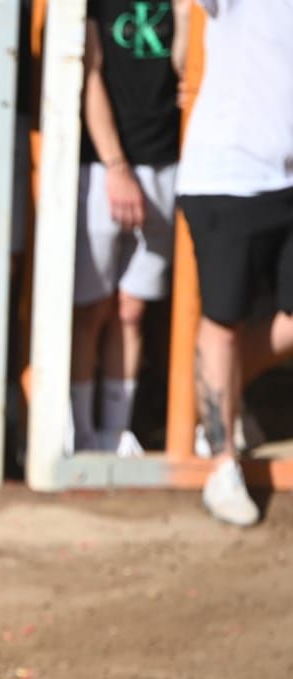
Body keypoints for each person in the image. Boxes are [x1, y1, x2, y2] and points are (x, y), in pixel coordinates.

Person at [176, 0, 293, 526]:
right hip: (225, 176)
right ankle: (221, 463)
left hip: (285, 180)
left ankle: (222, 399)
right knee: (222, 319)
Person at [65, 0, 180, 458]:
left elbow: (186, 66)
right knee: (91, 308)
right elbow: (87, 72)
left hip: (167, 161)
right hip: (101, 167)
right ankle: (78, 431)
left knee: (133, 309)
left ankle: (118, 430)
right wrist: (116, 166)